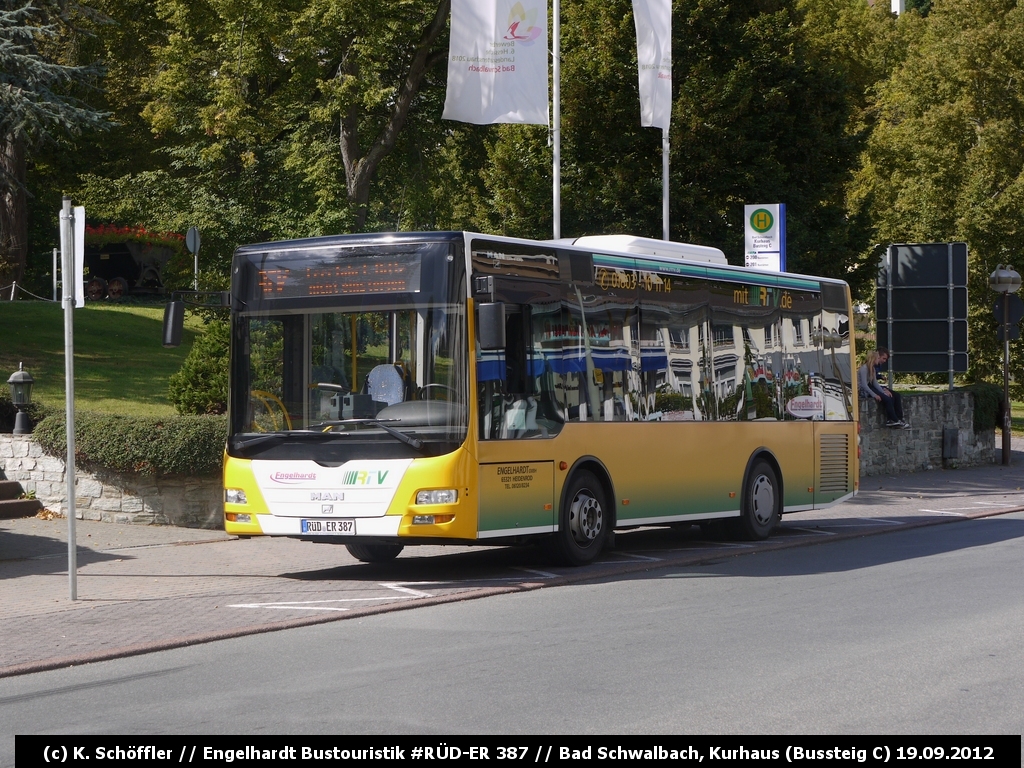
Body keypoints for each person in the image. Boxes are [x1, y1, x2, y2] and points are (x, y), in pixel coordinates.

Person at [858, 347, 909, 428]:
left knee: (890, 396)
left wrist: (883, 392)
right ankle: (895, 420)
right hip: (864, 391)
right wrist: (874, 395)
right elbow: (864, 385)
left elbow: (875, 383)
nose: (879, 360)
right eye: (878, 358)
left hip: (870, 388)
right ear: (873, 359)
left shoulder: (873, 369)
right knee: (887, 399)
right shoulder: (864, 369)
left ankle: (897, 419)